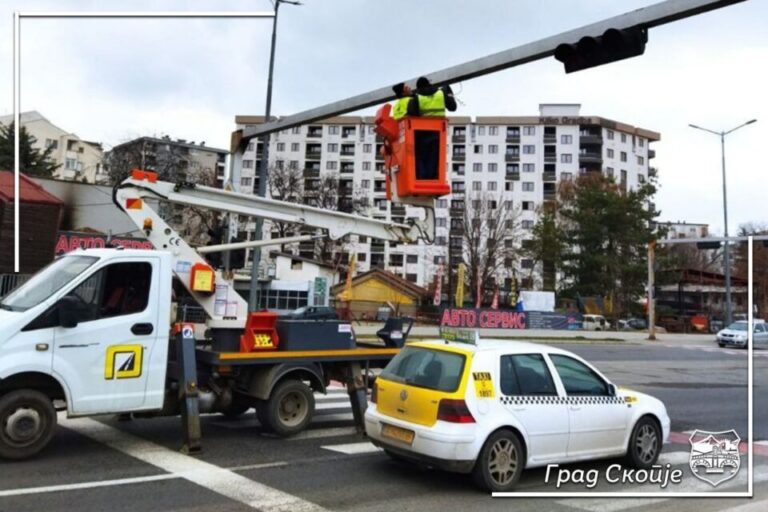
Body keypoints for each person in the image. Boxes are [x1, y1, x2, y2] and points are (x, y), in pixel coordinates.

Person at [407, 77, 457, 179]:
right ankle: (431, 179)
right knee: (433, 158)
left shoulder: (418, 98)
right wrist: (448, 91)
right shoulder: (441, 94)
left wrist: (412, 96)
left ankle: (421, 179)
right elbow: (453, 107)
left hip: (421, 135)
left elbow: (411, 114)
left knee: (420, 158)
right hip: (438, 134)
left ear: (418, 88)